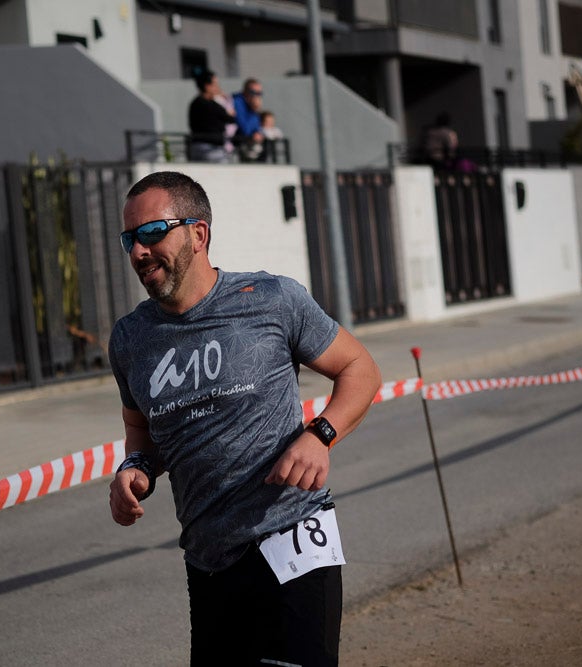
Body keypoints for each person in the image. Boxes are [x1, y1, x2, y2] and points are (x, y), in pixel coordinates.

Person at [108, 171, 381, 665]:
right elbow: (140, 430)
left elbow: (359, 369)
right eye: (130, 238)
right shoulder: (130, 339)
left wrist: (319, 436)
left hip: (293, 539)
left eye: (152, 233)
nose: (139, 251)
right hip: (209, 560)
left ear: (198, 233)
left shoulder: (273, 299)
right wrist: (136, 469)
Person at [188, 69, 237, 163]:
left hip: (196, 147)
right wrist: (225, 102)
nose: (218, 87)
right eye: (215, 84)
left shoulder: (195, 103)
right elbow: (230, 118)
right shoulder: (210, 105)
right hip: (211, 149)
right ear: (207, 86)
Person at [231, 77, 264, 161]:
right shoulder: (237, 101)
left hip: (246, 145)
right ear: (245, 92)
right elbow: (245, 129)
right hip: (234, 145)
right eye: (253, 92)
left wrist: (258, 133)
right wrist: (254, 109)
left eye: (259, 93)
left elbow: (257, 128)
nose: (256, 96)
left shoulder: (251, 106)